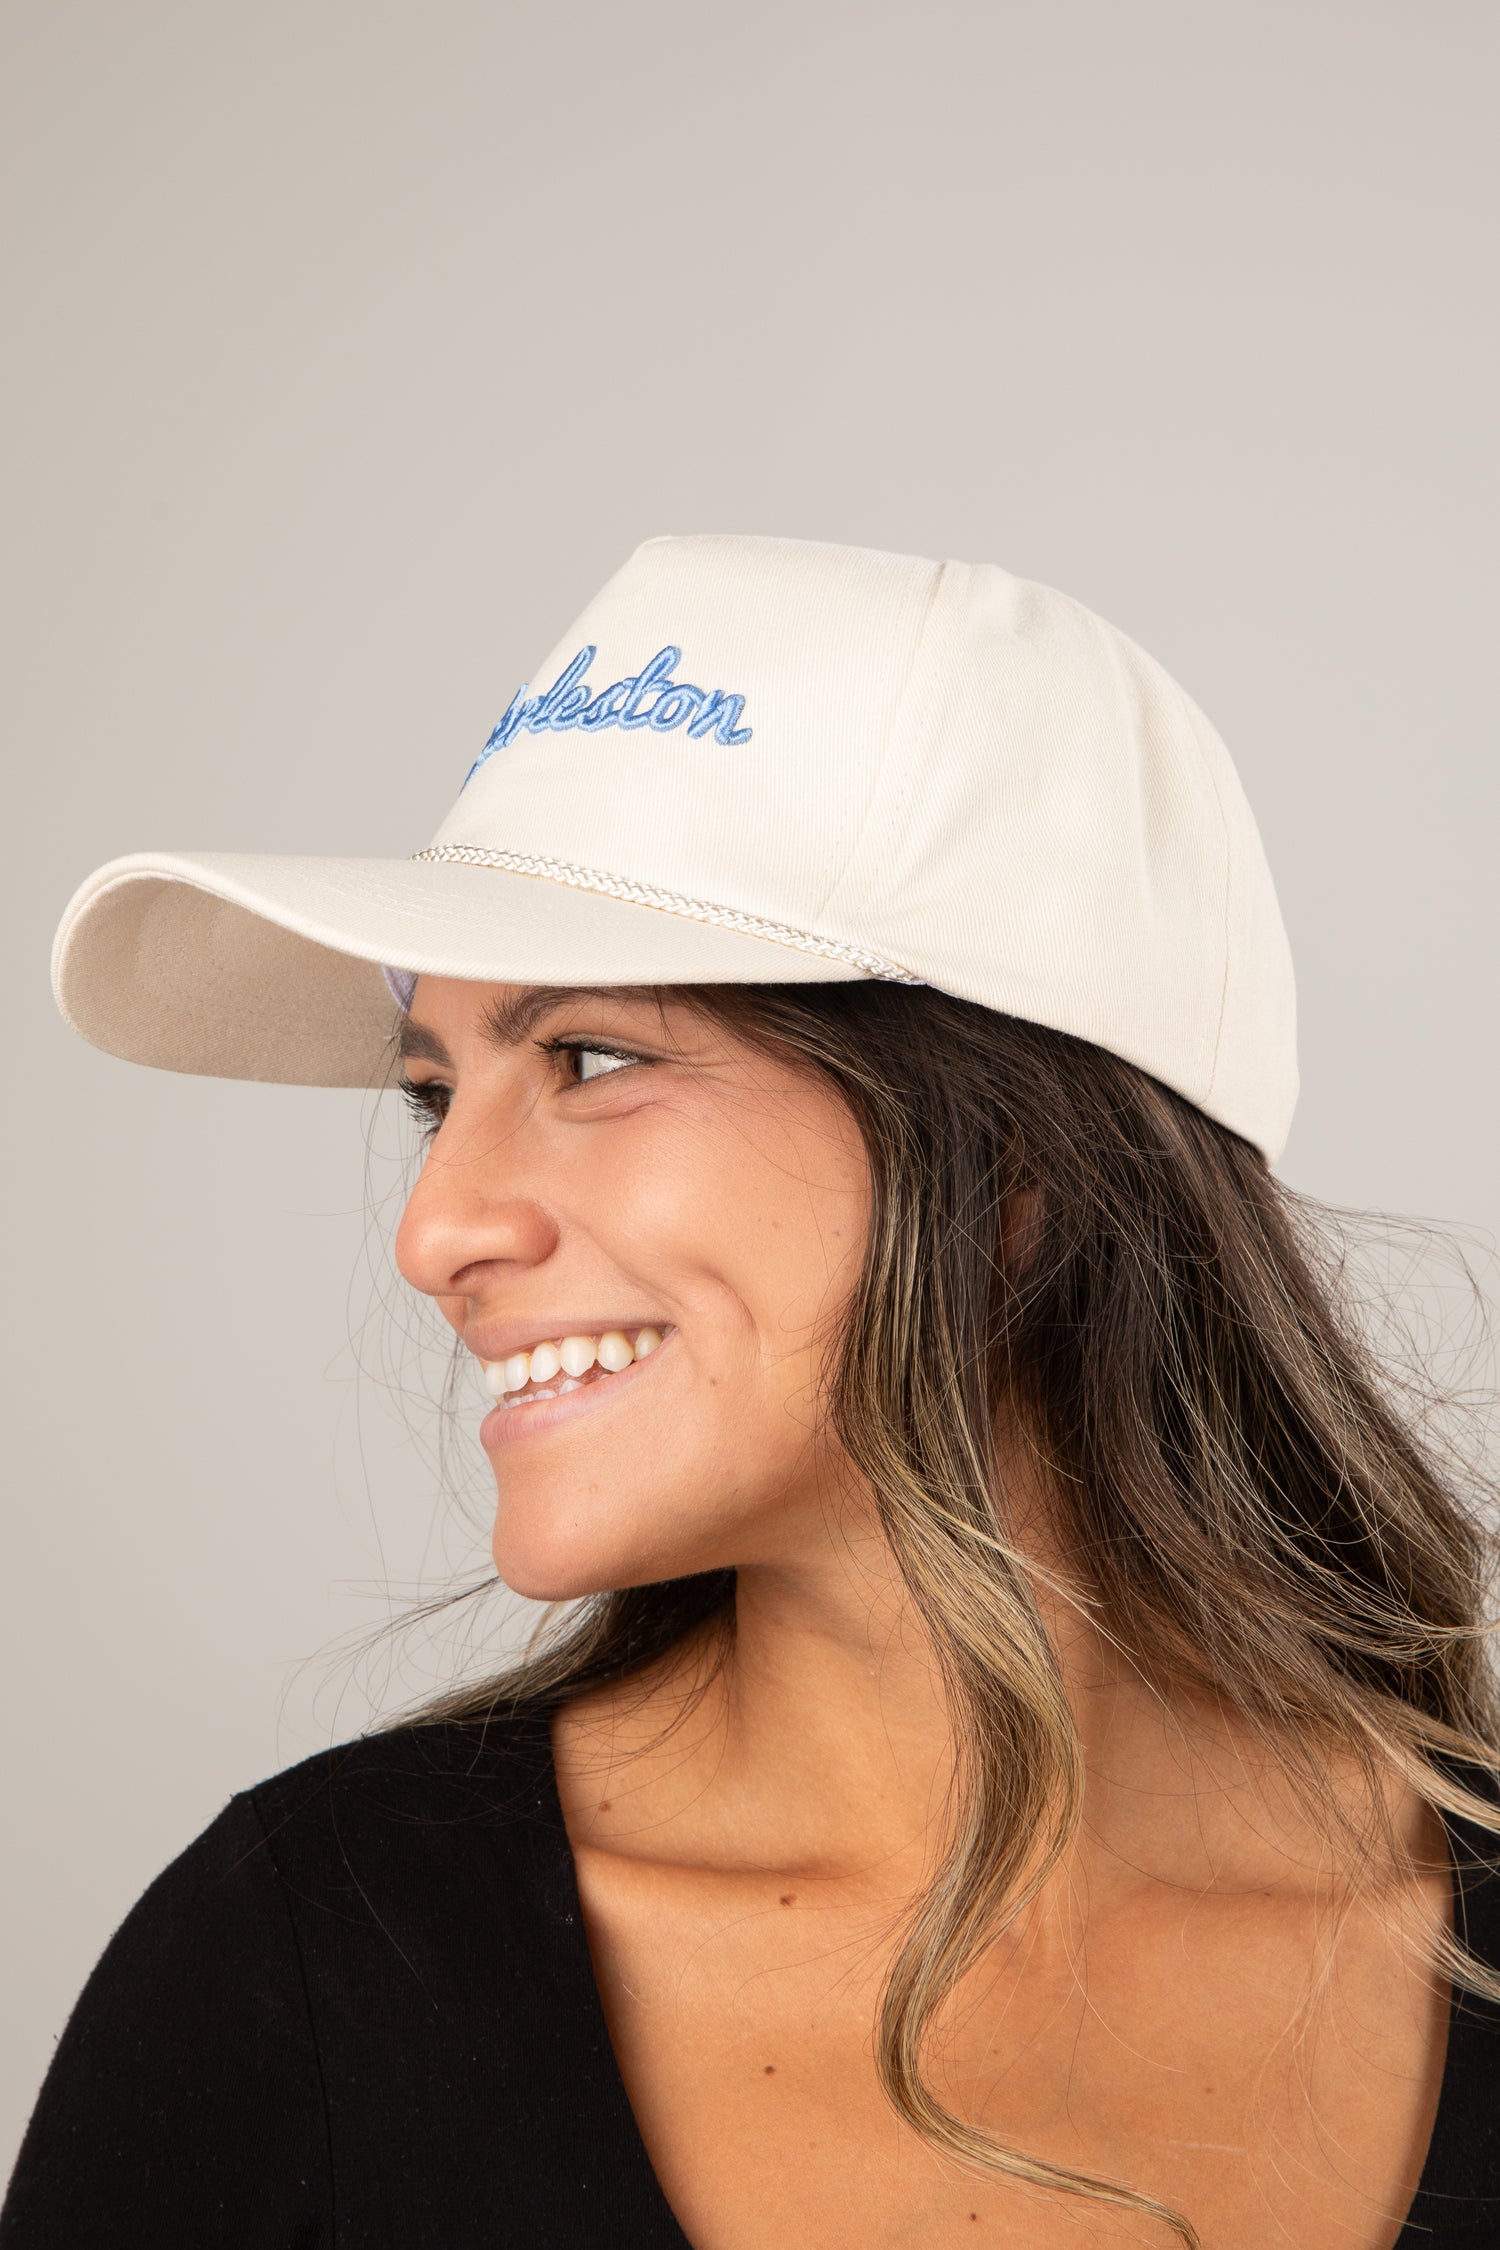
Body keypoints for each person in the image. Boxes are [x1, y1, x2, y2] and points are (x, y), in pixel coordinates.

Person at [6, 534, 1498, 2249]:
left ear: (1017, 1166)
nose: (435, 1230)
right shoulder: (304, 1976)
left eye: (590, 1056)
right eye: (437, 1091)